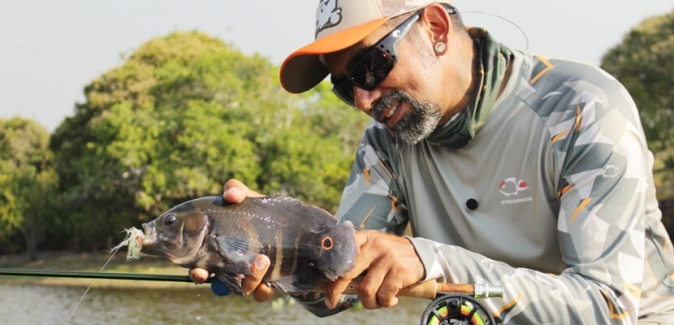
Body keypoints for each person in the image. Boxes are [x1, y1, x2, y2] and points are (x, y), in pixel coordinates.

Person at [191, 0, 674, 323]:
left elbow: (606, 306)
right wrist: (268, 237)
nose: (362, 99)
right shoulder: (384, 142)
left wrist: (431, 261)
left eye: (369, 66)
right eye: (344, 85)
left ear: (436, 28)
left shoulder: (583, 107)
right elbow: (335, 282)